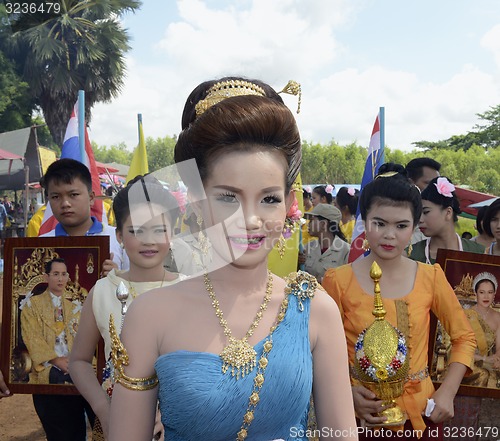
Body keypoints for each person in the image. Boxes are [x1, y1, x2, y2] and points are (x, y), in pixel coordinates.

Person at [108, 77, 357, 440]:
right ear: (197, 198)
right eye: (228, 197)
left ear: (289, 204)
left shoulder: (316, 311)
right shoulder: (150, 315)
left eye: (269, 199)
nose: (251, 219)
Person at [322, 165, 475, 440]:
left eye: (401, 225)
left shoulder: (430, 277)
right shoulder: (338, 281)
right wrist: (346, 391)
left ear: (415, 227)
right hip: (359, 418)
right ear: (364, 221)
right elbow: (320, 351)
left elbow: (464, 337)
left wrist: (447, 392)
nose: (389, 235)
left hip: (421, 418)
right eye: (379, 223)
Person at [70, 176, 182, 440]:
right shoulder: (102, 291)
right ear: (119, 235)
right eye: (136, 230)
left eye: (159, 230)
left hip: (179, 422)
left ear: (173, 234)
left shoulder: (192, 290)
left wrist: (173, 411)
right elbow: (79, 361)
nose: (148, 240)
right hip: (117, 420)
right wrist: (104, 410)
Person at [20, 258, 93, 441]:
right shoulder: (32, 305)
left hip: (72, 365)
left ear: (68, 277)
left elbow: (82, 338)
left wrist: (75, 360)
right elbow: (32, 337)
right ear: (46, 277)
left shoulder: (74, 308)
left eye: (63, 274)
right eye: (55, 274)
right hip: (46, 367)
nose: (60, 279)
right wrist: (56, 360)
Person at [40, 158, 127, 272]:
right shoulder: (40, 246)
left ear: (91, 198)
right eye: (56, 197)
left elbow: (138, 286)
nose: (65, 203)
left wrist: (119, 278)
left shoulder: (120, 240)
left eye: (73, 194)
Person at [409, 176, 485, 263]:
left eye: (426, 212)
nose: (420, 220)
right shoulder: (411, 255)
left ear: (448, 212)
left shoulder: (478, 253)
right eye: (419, 213)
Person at [462, 272, 500, 387]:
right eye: (482, 292)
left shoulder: (498, 317)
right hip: (468, 361)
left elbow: (499, 346)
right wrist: (484, 359)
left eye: (490, 292)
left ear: (494, 294)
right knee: (484, 375)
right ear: (476, 293)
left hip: (490, 362)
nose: (486, 297)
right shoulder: (466, 315)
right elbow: (461, 348)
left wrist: (497, 358)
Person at [302, 203, 349, 281]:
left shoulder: (346, 251)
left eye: (312, 221)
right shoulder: (307, 247)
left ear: (323, 224)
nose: (308, 225)